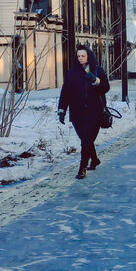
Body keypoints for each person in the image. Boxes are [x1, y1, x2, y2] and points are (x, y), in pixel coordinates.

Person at [58, 45, 110, 179]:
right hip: (77, 113)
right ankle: (94, 159)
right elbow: (66, 92)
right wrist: (62, 110)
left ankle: (82, 168)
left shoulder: (97, 70)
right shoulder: (72, 73)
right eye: (78, 56)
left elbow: (106, 88)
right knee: (85, 139)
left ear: (89, 56)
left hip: (95, 112)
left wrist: (96, 80)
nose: (80, 58)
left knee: (86, 140)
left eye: (83, 56)